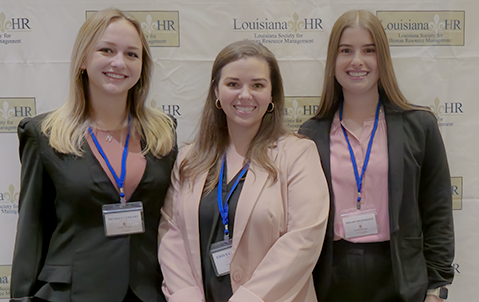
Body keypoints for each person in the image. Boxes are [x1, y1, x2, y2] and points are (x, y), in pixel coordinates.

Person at [10, 8, 176, 302]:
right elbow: (32, 230)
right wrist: (21, 297)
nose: (119, 62)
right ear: (84, 59)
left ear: (142, 66)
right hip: (72, 293)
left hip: (146, 292)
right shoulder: (43, 134)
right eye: (106, 50)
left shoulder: (163, 133)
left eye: (131, 54)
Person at [298, 10, 454, 302]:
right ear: (333, 60)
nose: (357, 61)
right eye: (346, 50)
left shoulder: (420, 126)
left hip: (400, 279)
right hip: (331, 280)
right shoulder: (310, 134)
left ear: (383, 59)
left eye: (369, 50)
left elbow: (438, 212)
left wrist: (436, 289)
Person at [158, 40, 329, 302]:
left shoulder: (298, 154)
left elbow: (304, 239)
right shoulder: (188, 158)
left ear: (272, 95)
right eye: (233, 84)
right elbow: (171, 234)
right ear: (216, 91)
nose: (245, 95)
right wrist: (185, 296)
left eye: (257, 85)